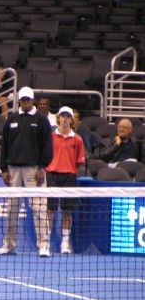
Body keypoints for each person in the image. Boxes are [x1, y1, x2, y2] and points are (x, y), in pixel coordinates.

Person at [0, 86, 53, 258]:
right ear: (19, 101)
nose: (26, 102)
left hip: (34, 170)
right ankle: (9, 245)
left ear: (33, 100)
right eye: (23, 100)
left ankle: (44, 246)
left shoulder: (41, 120)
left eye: (28, 99)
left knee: (39, 208)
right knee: (12, 209)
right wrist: (3, 169)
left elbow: (47, 146)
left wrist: (42, 167)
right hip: (13, 170)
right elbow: (5, 145)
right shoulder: (11, 118)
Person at [45, 107, 85, 255]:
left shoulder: (78, 140)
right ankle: (46, 243)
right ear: (59, 118)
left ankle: (65, 243)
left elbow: (79, 162)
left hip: (69, 177)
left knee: (67, 212)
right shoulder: (50, 137)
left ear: (71, 120)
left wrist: (68, 168)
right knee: (50, 211)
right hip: (52, 176)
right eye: (63, 116)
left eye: (68, 116)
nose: (65, 118)